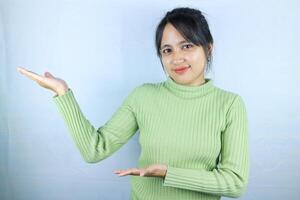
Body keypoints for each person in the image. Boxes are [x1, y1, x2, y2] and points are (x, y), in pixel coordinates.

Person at [17, 7, 249, 200]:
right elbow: (94, 149)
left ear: (208, 48)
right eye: (167, 50)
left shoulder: (229, 105)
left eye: (187, 46)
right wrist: (63, 92)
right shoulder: (143, 97)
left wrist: (168, 173)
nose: (176, 58)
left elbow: (235, 183)